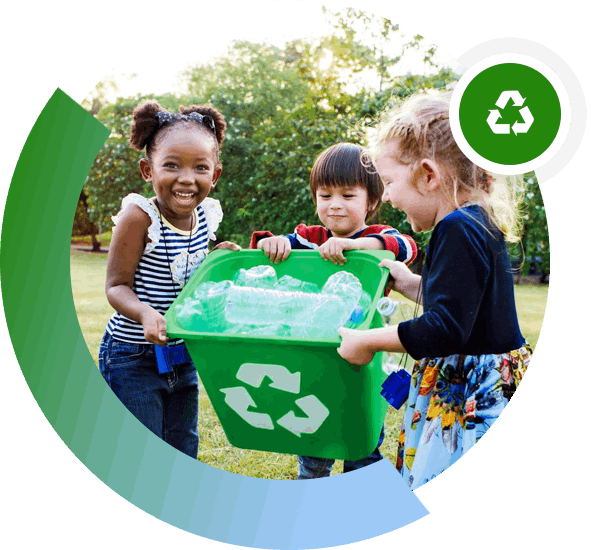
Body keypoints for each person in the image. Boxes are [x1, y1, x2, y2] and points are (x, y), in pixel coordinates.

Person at [337, 91, 532, 489]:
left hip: (469, 390)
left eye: (389, 182)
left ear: (428, 175)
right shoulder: (475, 220)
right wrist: (409, 282)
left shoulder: (455, 228)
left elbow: (445, 328)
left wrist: (368, 341)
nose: (387, 196)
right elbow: (464, 307)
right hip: (486, 377)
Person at [250, 142, 418, 479]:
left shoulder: (377, 236)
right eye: (325, 196)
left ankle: (362, 505)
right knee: (313, 434)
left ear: (371, 201)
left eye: (347, 195)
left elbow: (404, 247)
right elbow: (264, 250)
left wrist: (353, 244)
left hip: (365, 359)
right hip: (314, 355)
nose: (335, 205)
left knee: (362, 437)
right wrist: (272, 243)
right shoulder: (310, 238)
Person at [98, 100, 240, 458]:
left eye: (200, 168)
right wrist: (145, 313)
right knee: (139, 453)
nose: (186, 179)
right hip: (133, 357)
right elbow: (116, 286)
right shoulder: (139, 217)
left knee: (182, 446)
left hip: (182, 354)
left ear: (215, 175)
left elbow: (190, 271)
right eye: (171, 166)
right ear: (148, 169)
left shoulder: (206, 215)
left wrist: (218, 255)